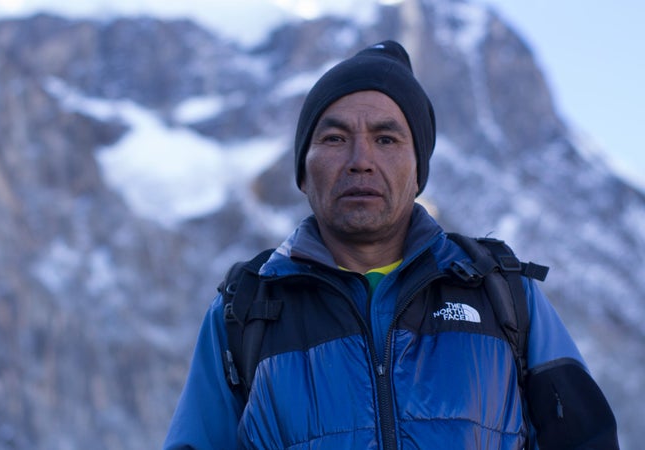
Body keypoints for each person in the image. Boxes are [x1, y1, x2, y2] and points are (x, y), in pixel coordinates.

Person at [163, 41, 618, 449]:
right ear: (303, 171)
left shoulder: (507, 298)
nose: (361, 161)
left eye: (386, 139)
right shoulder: (242, 313)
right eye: (335, 138)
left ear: (418, 170)